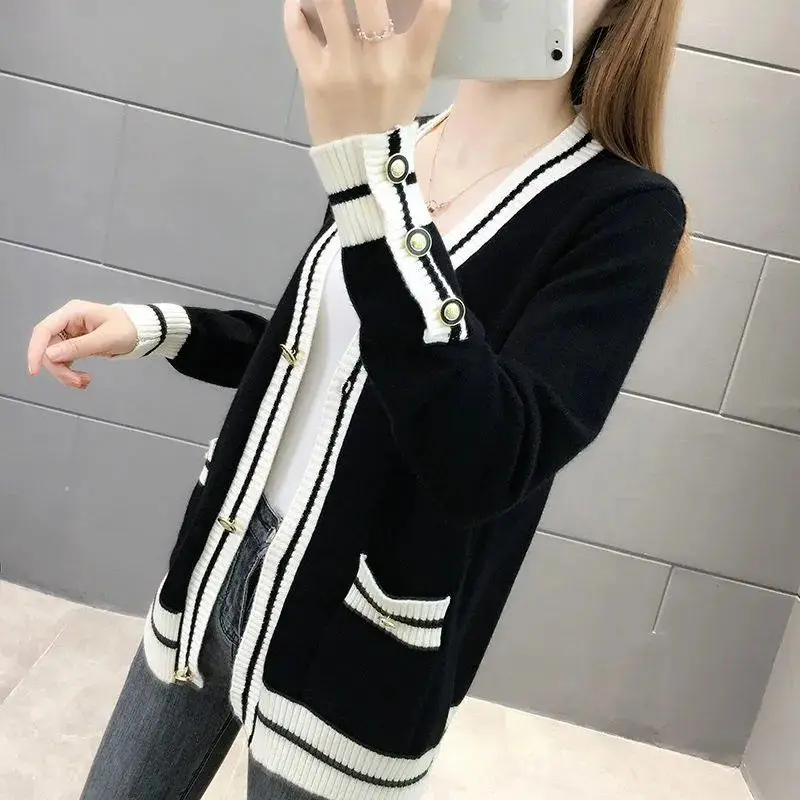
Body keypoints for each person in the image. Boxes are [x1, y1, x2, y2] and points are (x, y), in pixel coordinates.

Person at [26, 1, 689, 798]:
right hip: (218, 564)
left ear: (621, 12)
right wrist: (152, 327)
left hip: (354, 649)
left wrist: (373, 183)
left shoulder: (625, 213)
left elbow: (488, 456)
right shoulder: (399, 146)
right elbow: (326, 352)